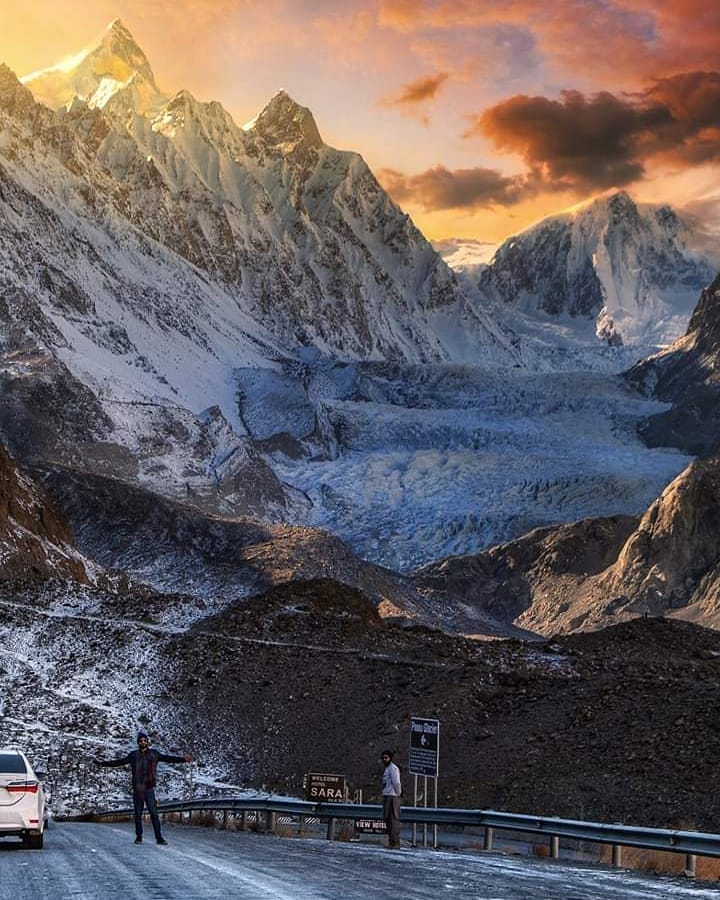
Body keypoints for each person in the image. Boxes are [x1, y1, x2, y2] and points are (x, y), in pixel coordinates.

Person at [95, 732, 192, 844]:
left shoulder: (154, 754)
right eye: (141, 741)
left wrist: (183, 759)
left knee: (154, 814)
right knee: (138, 814)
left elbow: (169, 758)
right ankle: (139, 837)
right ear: (138, 743)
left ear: (147, 742)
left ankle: (159, 838)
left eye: (145, 740)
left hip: (149, 788)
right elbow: (118, 762)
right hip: (137, 788)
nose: (143, 742)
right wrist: (102, 764)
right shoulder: (133, 755)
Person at [381, 749, 401, 848]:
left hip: (393, 796)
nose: (384, 760)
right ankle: (391, 841)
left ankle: (395, 842)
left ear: (390, 758)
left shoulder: (393, 769)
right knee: (388, 820)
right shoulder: (387, 769)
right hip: (387, 795)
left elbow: (396, 782)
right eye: (383, 758)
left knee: (393, 819)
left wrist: (398, 793)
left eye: (386, 758)